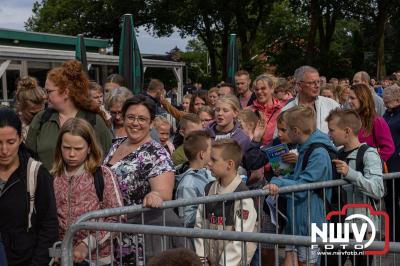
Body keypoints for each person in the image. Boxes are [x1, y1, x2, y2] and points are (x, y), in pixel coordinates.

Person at [103, 95, 176, 264]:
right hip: (109, 234)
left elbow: (165, 193)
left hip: (138, 239)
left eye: (142, 118)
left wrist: (155, 195)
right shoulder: (116, 144)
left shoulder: (157, 153)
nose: (135, 123)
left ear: (151, 123)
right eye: (131, 117)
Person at [264, 106, 335, 266]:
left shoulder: (318, 153)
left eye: (286, 129)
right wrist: (280, 179)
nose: (282, 134)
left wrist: (279, 182)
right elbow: (297, 177)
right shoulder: (306, 148)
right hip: (299, 219)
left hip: (310, 222)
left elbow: (305, 185)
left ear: (295, 130)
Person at [52, 118, 123, 265]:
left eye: (78, 149)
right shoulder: (53, 177)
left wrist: (86, 245)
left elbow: (118, 218)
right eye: (66, 148)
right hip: (63, 258)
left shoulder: (102, 174)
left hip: (97, 259)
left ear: (89, 147)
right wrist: (56, 253)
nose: (71, 154)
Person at [25, 60, 113, 170]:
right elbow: (28, 158)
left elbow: (109, 158)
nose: (44, 96)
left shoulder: (94, 121)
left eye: (49, 91)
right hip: (46, 186)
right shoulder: (41, 119)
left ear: (66, 92)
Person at [326, 108, 384, 265]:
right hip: (336, 224)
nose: (329, 134)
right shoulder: (336, 153)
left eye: (332, 130)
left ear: (347, 131)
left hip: (360, 226)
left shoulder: (368, 154)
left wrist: (350, 173)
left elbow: (378, 189)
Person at [0, 108, 58, 266]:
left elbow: (49, 225)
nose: (4, 150)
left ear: (20, 138)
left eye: (10, 142)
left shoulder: (36, 173)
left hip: (25, 259)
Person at [194, 139, 257, 266]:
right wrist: (201, 259)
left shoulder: (243, 196)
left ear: (229, 164)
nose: (208, 163)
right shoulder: (208, 189)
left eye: (214, 160)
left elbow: (240, 238)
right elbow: (199, 224)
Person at [282, 66, 340, 134]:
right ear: (299, 85)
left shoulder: (332, 105)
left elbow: (343, 133)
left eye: (318, 82)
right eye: (312, 83)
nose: (317, 86)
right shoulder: (287, 110)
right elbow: (280, 138)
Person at [175, 130, 215, 227]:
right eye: (210, 149)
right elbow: (186, 219)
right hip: (196, 239)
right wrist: (208, 209)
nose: (213, 152)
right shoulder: (187, 184)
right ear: (202, 154)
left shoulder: (208, 172)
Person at [348, 83, 394, 162]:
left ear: (362, 99)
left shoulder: (376, 121)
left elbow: (388, 148)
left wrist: (371, 162)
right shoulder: (350, 119)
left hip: (369, 170)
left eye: (352, 98)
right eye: (349, 98)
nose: (349, 101)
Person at [382, 84, 400, 242]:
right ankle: (393, 234)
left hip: (398, 163)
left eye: (388, 102)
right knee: (390, 202)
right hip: (388, 165)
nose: (385, 104)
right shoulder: (387, 114)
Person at [246, 74, 284, 146]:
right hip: (252, 152)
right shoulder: (248, 111)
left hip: (275, 153)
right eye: (257, 89)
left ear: (272, 89)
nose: (259, 92)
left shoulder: (283, 110)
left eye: (263, 88)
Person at [14, 76, 46, 141]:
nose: (38, 117)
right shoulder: (13, 128)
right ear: (20, 108)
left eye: (41, 112)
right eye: (33, 113)